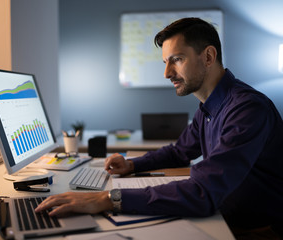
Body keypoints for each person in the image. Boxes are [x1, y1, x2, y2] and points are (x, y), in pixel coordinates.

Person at [35, 18, 283, 238]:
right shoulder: (208, 108)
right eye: (166, 62)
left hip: (257, 229)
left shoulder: (247, 109)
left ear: (208, 57)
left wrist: (106, 199)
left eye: (177, 59)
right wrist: (132, 165)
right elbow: (179, 152)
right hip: (226, 214)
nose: (166, 73)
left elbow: (203, 193)